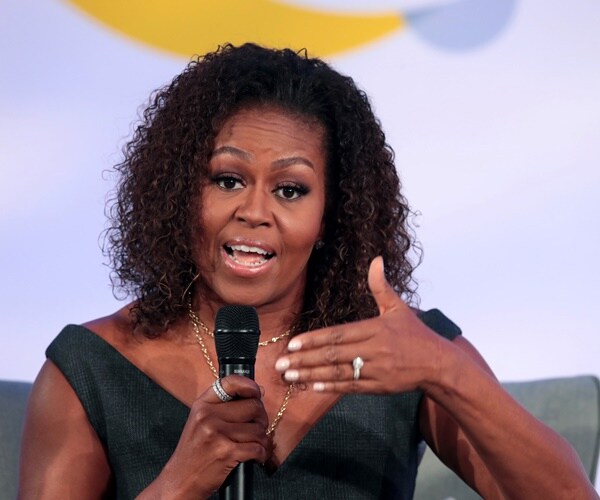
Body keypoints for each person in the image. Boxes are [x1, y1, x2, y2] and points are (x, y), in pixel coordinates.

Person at [18, 43, 596, 499]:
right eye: (227, 180)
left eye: (291, 190)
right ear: (177, 194)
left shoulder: (406, 352)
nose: (254, 211)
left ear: (331, 214)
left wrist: (447, 372)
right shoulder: (91, 369)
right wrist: (179, 485)